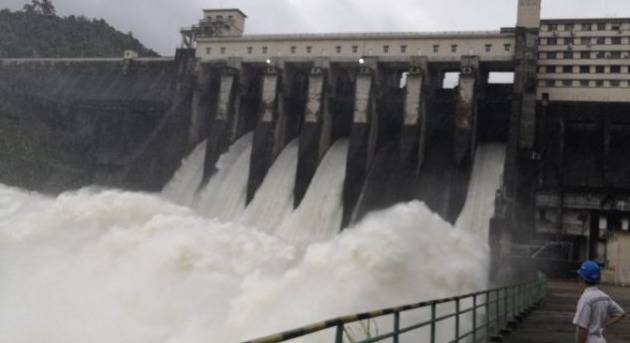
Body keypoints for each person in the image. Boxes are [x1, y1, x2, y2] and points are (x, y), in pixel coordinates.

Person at [573, 260, 626, 343]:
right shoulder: (604, 297)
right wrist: (603, 325)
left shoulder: (585, 299)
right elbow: (621, 313)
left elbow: (582, 328)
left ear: (582, 278)